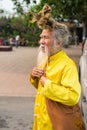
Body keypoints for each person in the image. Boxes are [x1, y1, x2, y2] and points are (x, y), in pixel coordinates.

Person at [29, 4, 85, 130]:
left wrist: (47, 84)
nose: (41, 42)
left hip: (55, 125)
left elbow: (73, 96)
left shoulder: (67, 65)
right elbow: (41, 87)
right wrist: (34, 77)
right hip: (40, 123)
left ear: (59, 42)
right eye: (41, 37)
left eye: (46, 37)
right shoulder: (45, 60)